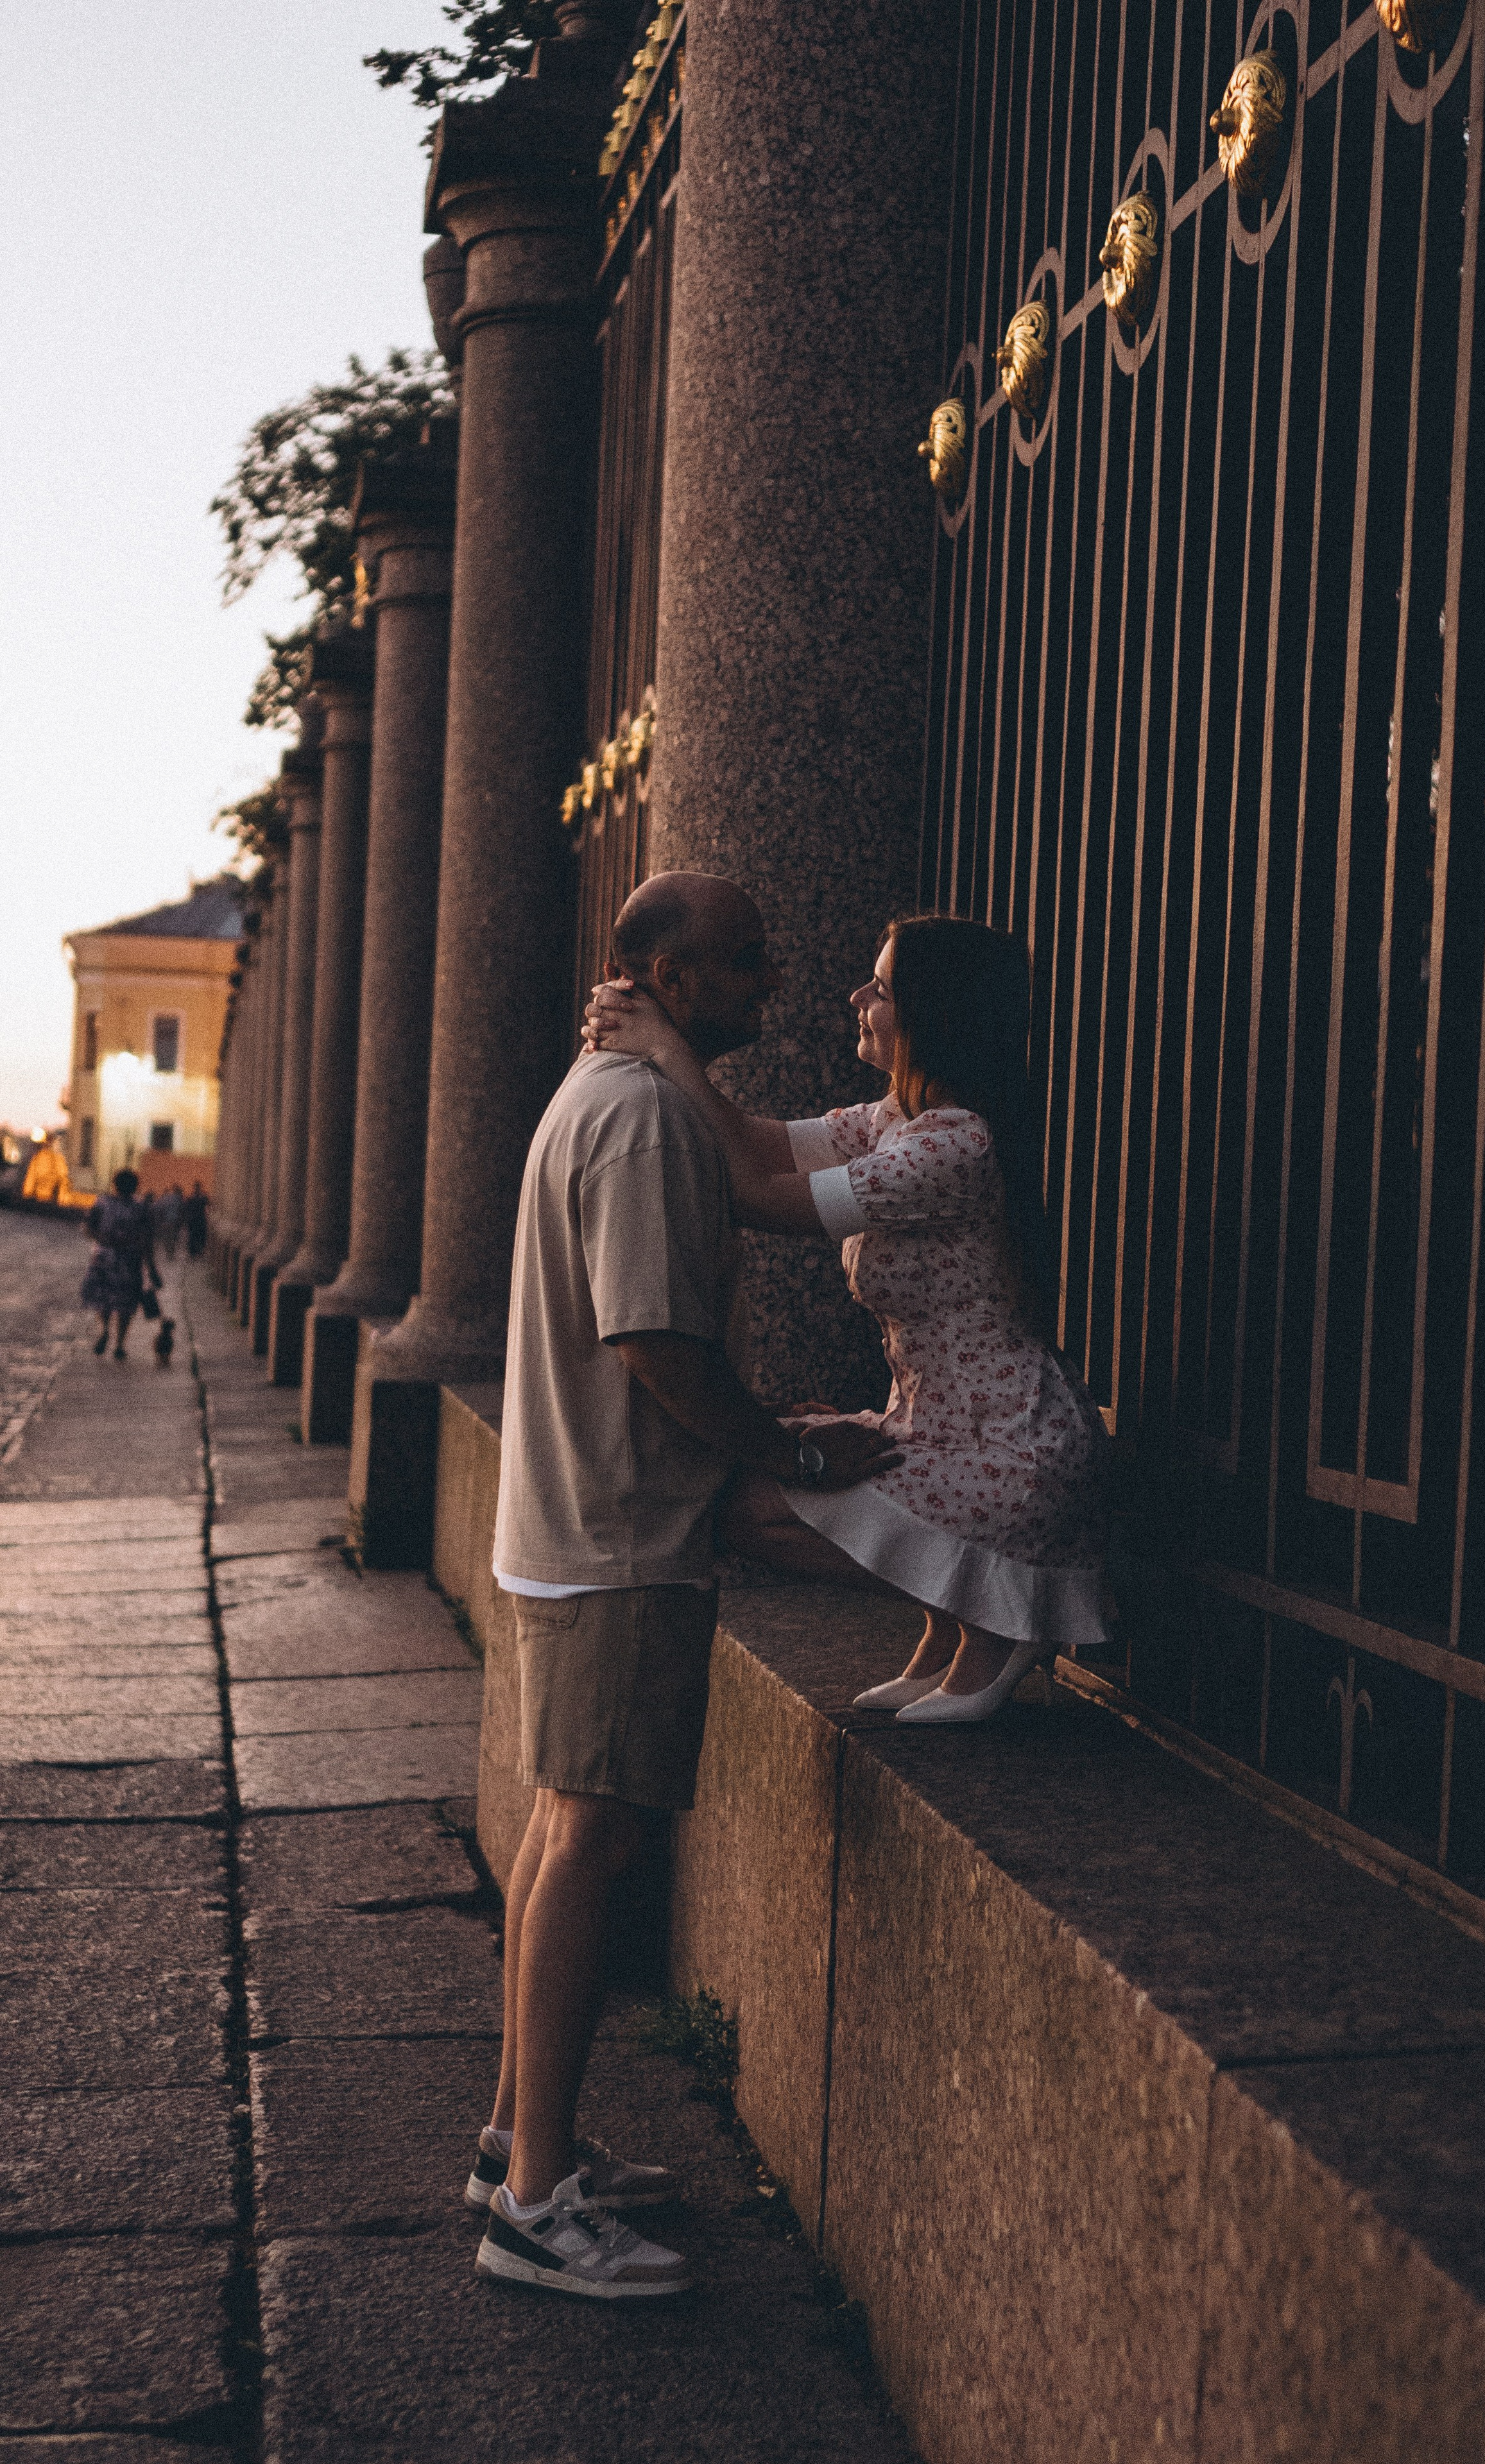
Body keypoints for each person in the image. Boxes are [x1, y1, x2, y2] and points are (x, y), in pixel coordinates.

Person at [472, 871, 897, 2302]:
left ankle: (515, 2141)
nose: (768, 987)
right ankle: (534, 2207)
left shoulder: (600, 1089)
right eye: (738, 966)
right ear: (656, 971)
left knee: (556, 1831)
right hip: (620, 1533)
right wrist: (777, 1443)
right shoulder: (646, 1115)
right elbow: (655, 1339)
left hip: (567, 1517)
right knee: (589, 1839)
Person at [586, 909, 1110, 1723]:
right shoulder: (894, 1122)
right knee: (758, 1482)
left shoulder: (955, 1146)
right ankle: (954, 1618)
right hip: (945, 1427)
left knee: (752, 1506)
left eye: (884, 987)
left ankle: (998, 1615)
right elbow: (758, 1146)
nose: (857, 995)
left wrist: (666, 1051)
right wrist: (670, 1051)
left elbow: (759, 1195)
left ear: (935, 1015)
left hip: (1011, 1449)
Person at [80, 1168, 160, 1360]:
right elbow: (147, 1241)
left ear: (115, 1184)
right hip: (130, 1262)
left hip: (104, 1260)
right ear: (135, 1186)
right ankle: (120, 1344)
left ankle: (105, 1330)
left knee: (104, 1299)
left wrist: (102, 1239)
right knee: (126, 1304)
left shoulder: (103, 1203)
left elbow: (87, 1227)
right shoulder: (141, 1209)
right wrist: (152, 1269)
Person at [155, 1183, 185, 1261]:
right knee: (172, 1237)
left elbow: (158, 1210)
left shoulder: (165, 1198)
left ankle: (169, 1253)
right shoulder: (178, 1199)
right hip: (174, 1221)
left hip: (165, 1221)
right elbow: (181, 1210)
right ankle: (171, 1253)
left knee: (167, 1238)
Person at [183, 1183, 210, 1258]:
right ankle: (200, 1251)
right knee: (201, 1236)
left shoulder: (190, 1198)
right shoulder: (203, 1197)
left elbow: (186, 1208)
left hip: (193, 1220)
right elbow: (209, 1205)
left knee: (192, 1236)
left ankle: (193, 1252)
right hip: (201, 1219)